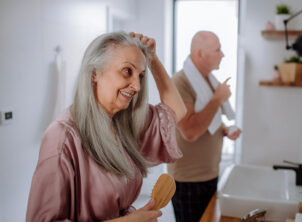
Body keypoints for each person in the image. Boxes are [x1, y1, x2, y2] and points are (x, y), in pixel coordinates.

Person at [26, 31, 186, 222]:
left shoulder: (123, 124)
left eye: (141, 76)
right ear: (95, 73)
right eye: (127, 71)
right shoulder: (61, 138)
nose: (137, 86)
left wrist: (153, 59)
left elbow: (177, 111)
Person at [167, 31, 241, 222]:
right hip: (189, 180)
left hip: (208, 174)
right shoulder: (180, 83)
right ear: (200, 54)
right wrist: (218, 99)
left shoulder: (208, 81)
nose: (222, 55)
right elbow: (190, 132)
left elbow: (207, 118)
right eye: (217, 50)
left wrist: (223, 129)